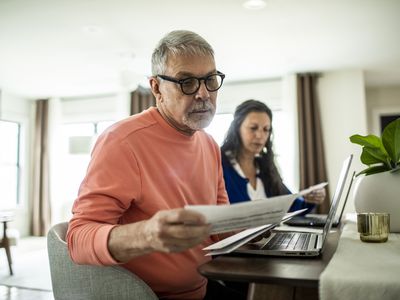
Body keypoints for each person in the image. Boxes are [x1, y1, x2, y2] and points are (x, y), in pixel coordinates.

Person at [67, 30, 245, 300]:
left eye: (210, 80)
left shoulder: (208, 145)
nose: (203, 94)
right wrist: (147, 234)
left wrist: (261, 229)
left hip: (205, 286)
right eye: (186, 82)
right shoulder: (122, 142)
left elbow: (218, 228)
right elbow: (78, 240)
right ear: (156, 87)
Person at [221, 99, 325, 212]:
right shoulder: (220, 163)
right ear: (237, 128)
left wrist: (310, 199)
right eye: (253, 128)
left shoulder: (265, 166)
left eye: (266, 129)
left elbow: (290, 205)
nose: (260, 135)